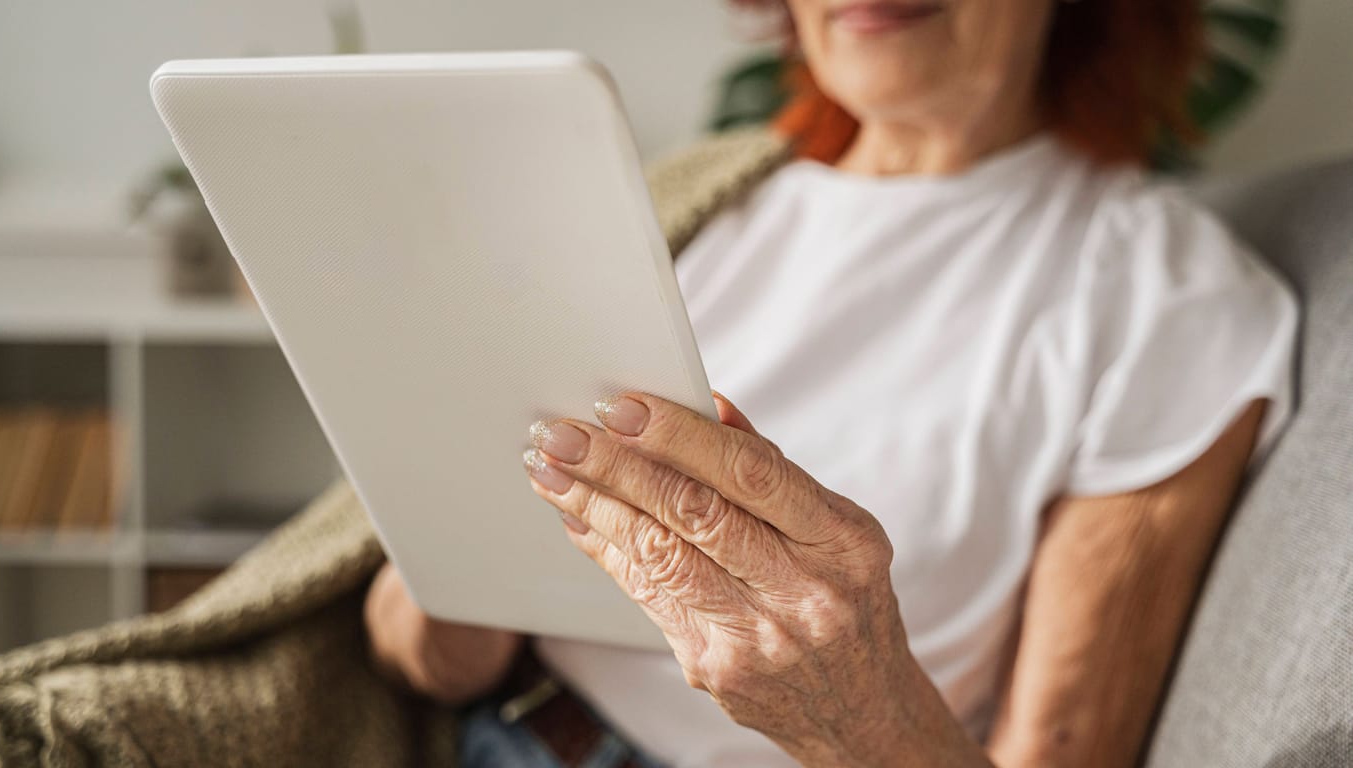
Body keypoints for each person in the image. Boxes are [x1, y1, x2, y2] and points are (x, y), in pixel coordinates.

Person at [365, 0, 1297, 766]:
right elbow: (415, 644)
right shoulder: (687, 202)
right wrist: (450, 604)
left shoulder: (1170, 299)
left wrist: (854, 714)